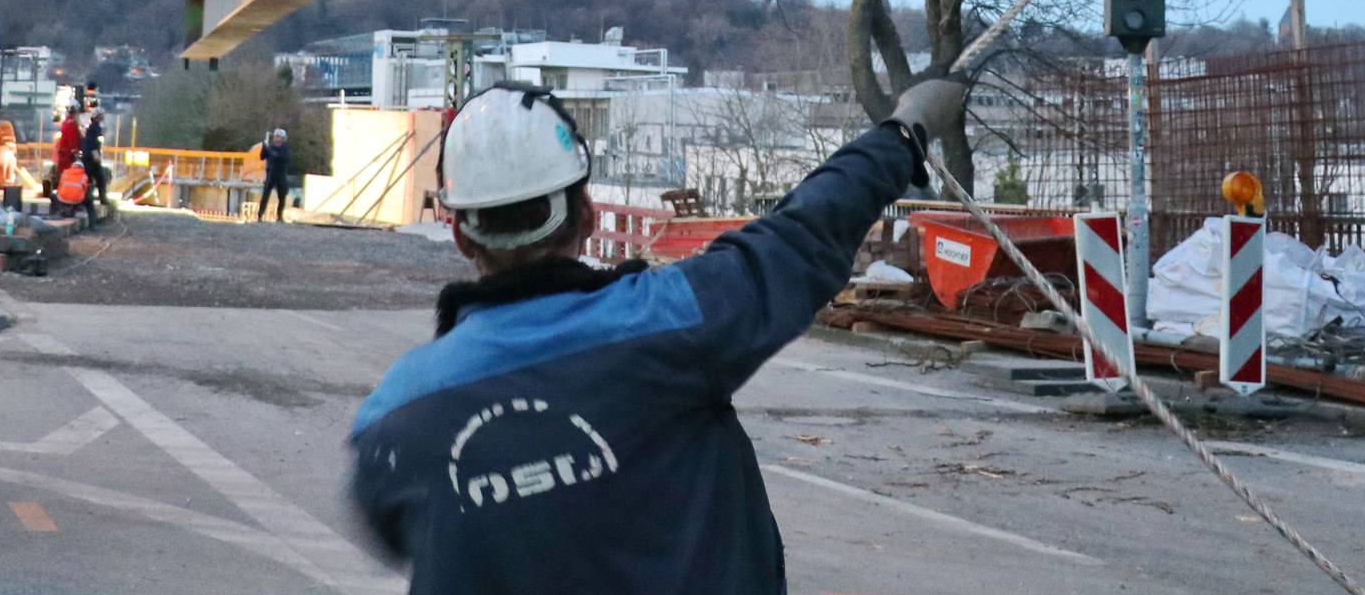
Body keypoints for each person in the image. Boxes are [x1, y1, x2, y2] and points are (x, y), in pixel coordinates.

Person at [346, 77, 968, 592]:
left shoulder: (392, 419)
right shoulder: (676, 321)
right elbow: (807, 229)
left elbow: (393, 528)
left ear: (460, 234)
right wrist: (902, 132)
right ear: (588, 215)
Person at [78, 98, 110, 216]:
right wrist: (96, 156)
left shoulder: (92, 127)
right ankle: (100, 199)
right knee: (100, 179)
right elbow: (93, 144)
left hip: (88, 157)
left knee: (89, 180)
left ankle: (85, 199)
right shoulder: (95, 128)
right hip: (91, 158)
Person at [254, 127, 292, 223]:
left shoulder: (285, 149)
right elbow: (262, 157)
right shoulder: (271, 147)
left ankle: (279, 216)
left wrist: (269, 151)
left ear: (283, 138)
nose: (276, 138)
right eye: (275, 136)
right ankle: (260, 215)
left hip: (281, 174)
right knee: (265, 194)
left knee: (281, 196)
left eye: (278, 136)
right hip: (270, 173)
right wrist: (264, 148)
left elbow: (279, 157)